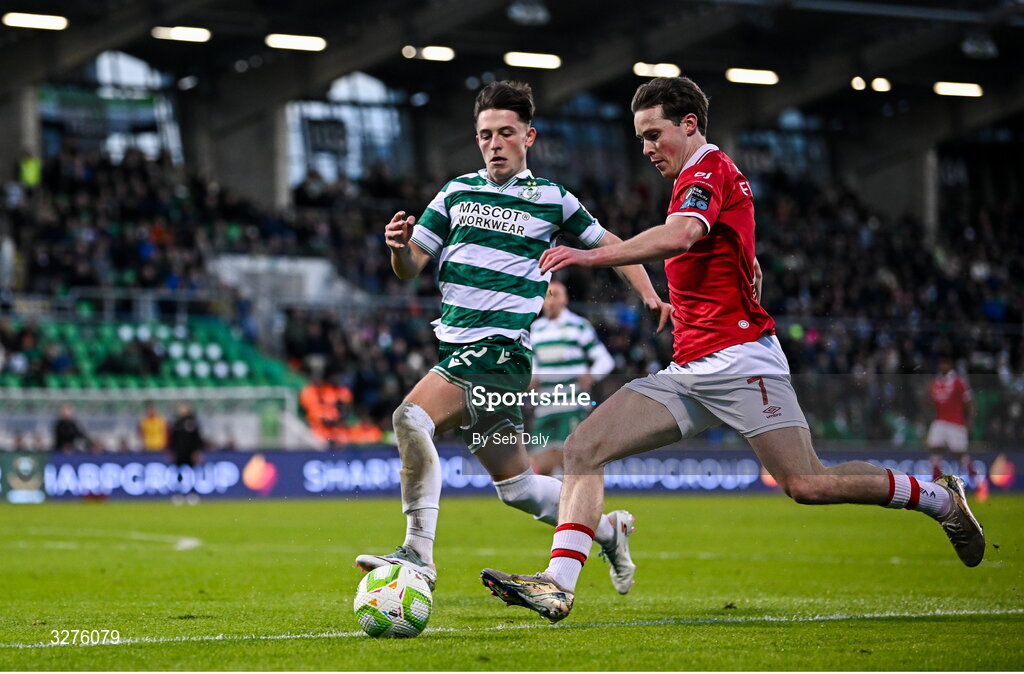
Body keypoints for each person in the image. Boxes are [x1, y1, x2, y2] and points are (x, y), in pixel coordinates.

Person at [480, 76, 985, 623]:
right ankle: (559, 583)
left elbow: (681, 237)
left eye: (654, 135)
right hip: (691, 366)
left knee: (807, 484)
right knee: (583, 448)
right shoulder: (698, 179)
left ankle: (936, 497)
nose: (646, 149)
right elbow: (731, 252)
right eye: (641, 139)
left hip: (743, 361)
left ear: (689, 124)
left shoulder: (708, 170)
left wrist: (588, 257)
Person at [355, 81, 670, 593]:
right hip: (462, 350)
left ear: (529, 136)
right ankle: (609, 530)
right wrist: (396, 248)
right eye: (485, 135)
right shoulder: (456, 193)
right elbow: (412, 264)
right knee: (517, 488)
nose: (494, 143)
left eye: (505, 133)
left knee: (410, 418)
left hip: (498, 352)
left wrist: (650, 294)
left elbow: (609, 243)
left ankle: (417, 553)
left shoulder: (551, 198)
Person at [528, 280, 614, 476]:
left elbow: (605, 360)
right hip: (545, 405)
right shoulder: (535, 330)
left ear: (565, 299)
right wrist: (531, 380)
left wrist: (592, 375)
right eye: (546, 296)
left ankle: (574, 503)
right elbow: (535, 366)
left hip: (572, 403)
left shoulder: (578, 326)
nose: (549, 301)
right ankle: (554, 504)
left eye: (555, 295)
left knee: (570, 457)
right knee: (540, 462)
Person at [926, 358, 985, 500]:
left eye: (944, 362)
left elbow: (969, 402)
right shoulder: (935, 383)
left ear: (950, 364)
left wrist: (969, 421)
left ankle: (979, 485)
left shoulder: (959, 382)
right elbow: (932, 403)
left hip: (956, 422)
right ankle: (935, 485)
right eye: (940, 362)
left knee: (960, 456)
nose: (942, 365)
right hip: (940, 420)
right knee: (934, 449)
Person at [169, 402, 205, 504]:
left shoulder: (193, 422)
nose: (182, 410)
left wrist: (197, 451)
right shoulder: (177, 423)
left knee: (193, 473)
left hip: (190, 452)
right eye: (181, 408)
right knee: (179, 473)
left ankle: (192, 493)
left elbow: (197, 438)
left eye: (184, 408)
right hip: (179, 452)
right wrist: (172, 450)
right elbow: (173, 439)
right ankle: (178, 493)